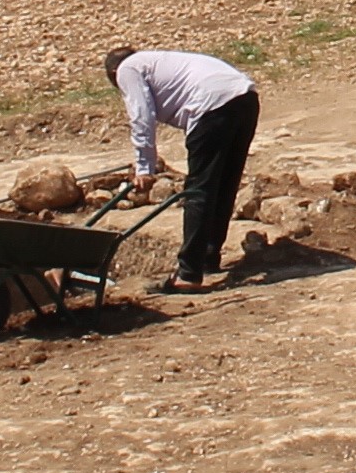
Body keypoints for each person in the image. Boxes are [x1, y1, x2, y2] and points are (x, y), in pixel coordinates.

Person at [102, 42, 263, 291]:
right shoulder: (156, 61)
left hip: (211, 107)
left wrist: (145, 168)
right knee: (224, 183)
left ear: (113, 75)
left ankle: (188, 274)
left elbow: (141, 116)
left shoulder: (127, 69)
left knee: (198, 191)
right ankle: (208, 257)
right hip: (245, 99)